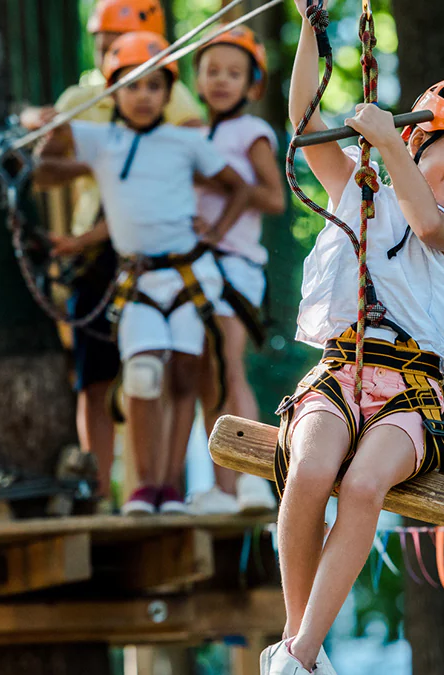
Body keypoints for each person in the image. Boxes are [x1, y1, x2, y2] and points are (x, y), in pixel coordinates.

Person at [260, 3, 444, 673]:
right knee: (313, 470)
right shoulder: (357, 186)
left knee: (364, 485)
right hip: (338, 373)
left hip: (407, 395)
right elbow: (303, 118)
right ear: (420, 140)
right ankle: (299, 648)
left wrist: (382, 146)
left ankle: (300, 650)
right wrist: (313, 29)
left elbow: (423, 219)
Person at [34, 32, 251, 516]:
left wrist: (214, 231)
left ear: (167, 93)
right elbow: (44, 171)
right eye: (132, 86)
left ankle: (169, 488)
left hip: (188, 276)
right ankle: (142, 487)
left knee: (182, 379)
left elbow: (237, 186)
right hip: (137, 282)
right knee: (143, 375)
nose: (144, 96)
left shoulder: (183, 141)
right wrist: (54, 138)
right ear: (114, 93)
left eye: (155, 87)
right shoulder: (99, 139)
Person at [24, 0, 203, 508]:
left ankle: (155, 487)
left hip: (153, 253)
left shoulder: (172, 93)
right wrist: (91, 157)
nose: (106, 54)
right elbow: (45, 167)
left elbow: (185, 154)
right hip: (95, 257)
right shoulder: (82, 96)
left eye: (116, 43)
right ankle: (98, 492)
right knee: (96, 376)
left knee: (158, 374)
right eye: (102, 45)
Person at [186, 25, 286, 515]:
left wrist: (224, 189)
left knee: (229, 367)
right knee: (208, 376)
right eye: (213, 71)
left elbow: (273, 197)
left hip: (234, 267)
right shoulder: (193, 133)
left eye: (234, 73)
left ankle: (251, 481)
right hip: (196, 268)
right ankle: (221, 490)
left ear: (253, 85)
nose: (222, 81)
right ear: (198, 80)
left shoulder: (251, 132)